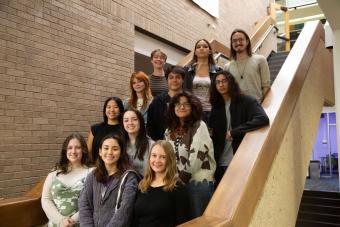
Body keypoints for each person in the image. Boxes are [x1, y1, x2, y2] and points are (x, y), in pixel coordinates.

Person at [210, 70, 269, 185]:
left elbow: (262, 118)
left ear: (231, 82)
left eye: (224, 81)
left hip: (240, 159)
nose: (221, 85)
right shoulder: (217, 107)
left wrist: (234, 132)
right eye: (217, 82)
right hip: (220, 162)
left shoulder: (246, 101)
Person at [165, 91, 216, 218]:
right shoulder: (169, 131)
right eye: (177, 104)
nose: (181, 107)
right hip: (178, 184)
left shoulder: (199, 125)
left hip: (198, 183)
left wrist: (179, 179)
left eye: (186, 104)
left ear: (193, 107)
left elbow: (197, 156)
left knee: (199, 223)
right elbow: (167, 157)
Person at [79, 134, 139, 227]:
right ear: (100, 151)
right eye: (106, 148)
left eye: (115, 149)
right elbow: (84, 205)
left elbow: (125, 210)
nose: (110, 152)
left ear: (121, 152)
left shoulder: (129, 177)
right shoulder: (92, 176)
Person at [133, 140, 190, 227]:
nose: (157, 160)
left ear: (170, 160)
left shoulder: (178, 187)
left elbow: (183, 223)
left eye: (163, 157)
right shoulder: (142, 185)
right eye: (154, 155)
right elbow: (136, 220)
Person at [41, 133, 92, 227]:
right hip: (56, 224)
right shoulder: (54, 173)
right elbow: (46, 199)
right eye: (70, 148)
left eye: (77, 147)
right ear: (65, 150)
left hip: (81, 223)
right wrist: (61, 221)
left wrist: (72, 221)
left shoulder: (92, 172)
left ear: (83, 150)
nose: (73, 151)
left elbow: (93, 201)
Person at [224, 28, 270, 103]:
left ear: (247, 41)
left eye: (241, 39)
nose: (238, 43)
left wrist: (261, 105)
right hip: (237, 109)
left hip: (256, 107)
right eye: (234, 41)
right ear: (232, 44)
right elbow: (227, 91)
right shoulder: (227, 67)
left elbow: (266, 86)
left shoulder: (260, 60)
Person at [184, 39, 221, 123]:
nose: (201, 48)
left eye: (205, 46)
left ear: (210, 51)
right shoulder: (187, 70)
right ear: (195, 52)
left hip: (212, 112)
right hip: (192, 112)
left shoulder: (218, 71)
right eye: (198, 47)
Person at [147, 66, 185, 141]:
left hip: (186, 145)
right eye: (171, 77)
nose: (174, 80)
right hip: (162, 146)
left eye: (178, 77)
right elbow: (151, 126)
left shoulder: (190, 100)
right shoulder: (158, 101)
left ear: (183, 80)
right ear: (167, 80)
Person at [87, 97, 124, 163]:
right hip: (96, 168)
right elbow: (88, 151)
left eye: (115, 107)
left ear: (120, 110)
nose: (112, 110)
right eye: (108, 107)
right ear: (105, 110)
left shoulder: (125, 129)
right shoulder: (95, 128)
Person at [122, 108, 154, 176]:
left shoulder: (151, 145)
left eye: (134, 119)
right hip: (125, 184)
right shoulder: (119, 144)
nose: (130, 123)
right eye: (126, 120)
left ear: (141, 122)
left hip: (146, 184)